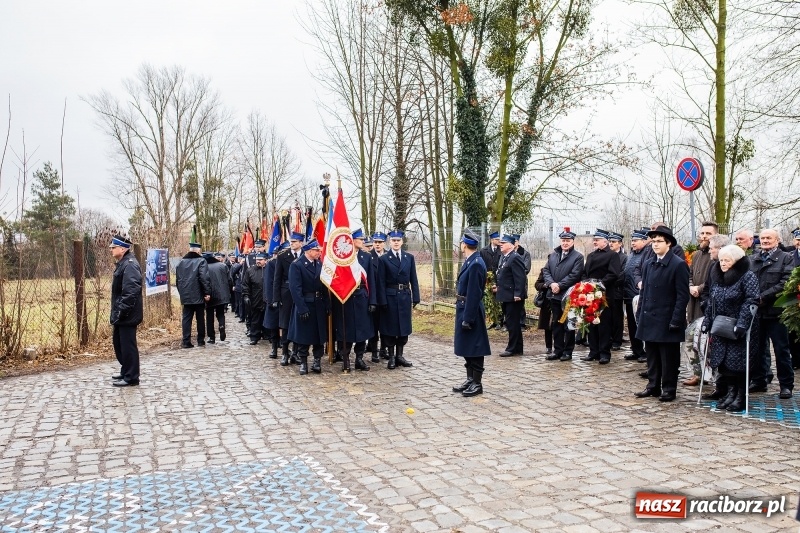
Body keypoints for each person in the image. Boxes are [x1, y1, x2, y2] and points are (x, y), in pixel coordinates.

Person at [701, 244, 760, 411]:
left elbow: (751, 300)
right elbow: (712, 302)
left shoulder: (747, 277)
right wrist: (707, 321)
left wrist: (742, 323)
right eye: (721, 260)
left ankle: (741, 397)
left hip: (740, 327)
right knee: (725, 363)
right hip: (721, 327)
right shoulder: (718, 277)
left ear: (736, 261)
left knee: (739, 363)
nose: (723, 263)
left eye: (727, 260)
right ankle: (731, 393)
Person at [634, 226, 690, 402]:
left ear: (669, 243)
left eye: (659, 241)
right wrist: (640, 312)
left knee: (668, 357)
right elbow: (645, 291)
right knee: (652, 355)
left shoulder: (678, 264)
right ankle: (653, 386)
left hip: (667, 318)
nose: (655, 245)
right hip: (649, 316)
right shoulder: (649, 263)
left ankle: (669, 388)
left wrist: (676, 320)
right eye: (653, 241)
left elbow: (682, 296)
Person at [749, 228, 794, 398]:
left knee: (781, 349)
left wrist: (762, 297)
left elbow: (786, 283)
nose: (765, 241)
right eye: (763, 238)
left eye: (769, 238)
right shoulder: (753, 259)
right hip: (757, 313)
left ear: (777, 240)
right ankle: (759, 380)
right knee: (757, 349)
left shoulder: (786, 258)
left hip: (777, 312)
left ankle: (786, 385)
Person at [452, 229, 491, 397]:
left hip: (470, 309)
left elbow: (474, 293)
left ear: (465, 244)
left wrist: (468, 318)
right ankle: (470, 378)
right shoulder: (471, 260)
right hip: (464, 307)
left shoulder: (476, 263)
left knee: (475, 347)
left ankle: (477, 382)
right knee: (467, 346)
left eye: (461, 242)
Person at [331, 229, 375, 372]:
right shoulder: (343, 256)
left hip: (362, 296)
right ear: (352, 240)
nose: (363, 241)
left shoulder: (366, 257)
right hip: (346, 298)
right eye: (360, 239)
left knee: (362, 329)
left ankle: (359, 359)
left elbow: (372, 281)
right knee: (346, 330)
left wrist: (372, 300)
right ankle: (345, 359)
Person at [376, 229, 420, 369]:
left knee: (403, 328)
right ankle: (391, 357)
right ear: (389, 242)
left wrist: (416, 297)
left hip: (405, 297)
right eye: (393, 240)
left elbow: (414, 278)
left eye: (398, 240)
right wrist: (382, 300)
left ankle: (400, 355)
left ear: (402, 242)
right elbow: (380, 282)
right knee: (390, 328)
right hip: (390, 296)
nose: (396, 243)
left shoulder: (409, 258)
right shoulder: (383, 259)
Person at [287, 240, 330, 375]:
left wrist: (327, 305)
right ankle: (304, 362)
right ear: (309, 251)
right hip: (305, 303)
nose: (319, 252)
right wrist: (302, 308)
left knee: (319, 335)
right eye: (317, 250)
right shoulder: (297, 265)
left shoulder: (319, 264)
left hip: (318, 304)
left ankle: (317, 361)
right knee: (304, 336)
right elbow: (295, 289)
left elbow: (324, 287)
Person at [542, 227, 584, 362]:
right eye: (563, 240)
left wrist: (560, 285)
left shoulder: (578, 257)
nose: (565, 243)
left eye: (568, 240)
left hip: (568, 296)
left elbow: (575, 275)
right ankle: (557, 350)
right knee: (556, 324)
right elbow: (546, 271)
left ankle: (567, 351)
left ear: (572, 242)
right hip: (554, 296)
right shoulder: (553, 255)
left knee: (568, 324)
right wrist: (551, 284)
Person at [581, 229, 621, 364]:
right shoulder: (591, 255)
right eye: (594, 240)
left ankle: (604, 353)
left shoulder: (612, 255)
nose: (595, 242)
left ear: (605, 241)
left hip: (604, 295)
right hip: (590, 295)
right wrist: (586, 284)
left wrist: (599, 284)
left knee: (604, 325)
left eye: (597, 240)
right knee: (592, 323)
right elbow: (585, 272)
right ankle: (593, 351)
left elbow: (613, 274)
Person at [109, 235, 143, 387]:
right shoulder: (123, 263)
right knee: (120, 343)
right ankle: (126, 371)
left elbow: (130, 291)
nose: (111, 249)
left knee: (128, 345)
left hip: (127, 314)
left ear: (122, 249)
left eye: (113, 247)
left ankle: (131, 377)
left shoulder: (129, 264)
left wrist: (122, 311)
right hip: (122, 313)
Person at [273, 232, 305, 364]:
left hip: (301, 293)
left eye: (295, 242)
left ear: (301, 243)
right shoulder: (282, 256)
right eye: (291, 241)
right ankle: (285, 352)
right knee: (285, 324)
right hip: (286, 293)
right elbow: (277, 278)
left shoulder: (305, 255)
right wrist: (276, 298)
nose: (292, 244)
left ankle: (296, 352)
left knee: (298, 323)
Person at [494, 234, 526, 357]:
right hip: (506, 295)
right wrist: (498, 287)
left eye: (504, 243)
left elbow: (520, 277)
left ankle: (512, 348)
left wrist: (518, 293)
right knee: (513, 323)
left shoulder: (515, 257)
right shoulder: (506, 257)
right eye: (501, 243)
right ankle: (517, 348)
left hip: (513, 297)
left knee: (512, 323)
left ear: (511, 245)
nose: (501, 245)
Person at [175, 240, 212, 348]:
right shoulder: (201, 261)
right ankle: (200, 340)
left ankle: (186, 341)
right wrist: (207, 293)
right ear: (198, 251)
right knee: (200, 318)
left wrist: (181, 292)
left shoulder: (181, 262)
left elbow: (177, 280)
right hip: (198, 295)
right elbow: (204, 278)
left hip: (185, 295)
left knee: (186, 318)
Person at [623, 228, 649, 363]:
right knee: (632, 325)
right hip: (628, 295)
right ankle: (635, 349)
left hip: (638, 295)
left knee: (640, 325)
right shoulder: (632, 254)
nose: (632, 243)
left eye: (635, 241)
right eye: (632, 241)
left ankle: (644, 352)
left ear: (644, 241)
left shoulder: (646, 254)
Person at [687, 222, 718, 326]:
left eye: (708, 233)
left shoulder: (717, 256)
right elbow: (689, 274)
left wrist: (699, 289)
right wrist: (691, 287)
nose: (704, 236)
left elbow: (716, 278)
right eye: (702, 233)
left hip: (707, 302)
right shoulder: (696, 255)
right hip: (693, 302)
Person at [367, 232, 389, 363]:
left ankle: (384, 349)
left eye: (380, 242)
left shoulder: (388, 256)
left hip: (386, 296)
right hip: (374, 296)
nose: (377, 245)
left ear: (384, 243)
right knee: (373, 326)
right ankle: (374, 351)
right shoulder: (369, 257)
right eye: (375, 242)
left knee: (385, 325)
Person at [264, 242, 287, 360]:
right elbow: (269, 282)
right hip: (274, 298)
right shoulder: (271, 264)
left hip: (285, 298)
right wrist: (270, 299)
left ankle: (285, 347)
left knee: (284, 325)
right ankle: (274, 347)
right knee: (274, 324)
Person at [202, 252, 231, 344]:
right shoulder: (223, 266)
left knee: (209, 316)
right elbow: (230, 280)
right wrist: (228, 291)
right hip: (222, 294)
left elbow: (203, 281)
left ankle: (211, 337)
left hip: (210, 295)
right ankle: (221, 325)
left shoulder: (204, 267)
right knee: (220, 313)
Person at [242, 251, 268, 345]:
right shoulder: (250, 270)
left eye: (260, 260)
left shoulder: (269, 269)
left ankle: (267, 334)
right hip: (255, 297)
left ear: (266, 260)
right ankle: (254, 336)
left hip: (267, 298)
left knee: (267, 317)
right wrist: (246, 295)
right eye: (257, 259)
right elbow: (245, 285)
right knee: (255, 318)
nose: (258, 261)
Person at [480, 231, 502, 330]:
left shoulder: (501, 250)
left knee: (499, 300)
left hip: (499, 278)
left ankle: (500, 321)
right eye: (497, 239)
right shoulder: (484, 251)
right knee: (489, 299)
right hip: (488, 278)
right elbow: (482, 264)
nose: (499, 241)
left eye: (499, 239)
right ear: (492, 240)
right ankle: (493, 320)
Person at [608, 231, 627, 350]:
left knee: (616, 317)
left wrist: (608, 281)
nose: (611, 244)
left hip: (617, 291)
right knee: (607, 317)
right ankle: (608, 338)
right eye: (610, 241)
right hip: (605, 291)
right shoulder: (607, 255)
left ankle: (617, 340)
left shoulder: (624, 258)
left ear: (620, 244)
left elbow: (622, 274)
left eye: (613, 242)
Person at [513, 234, 532, 330]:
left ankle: (521, 323)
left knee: (520, 302)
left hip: (521, 280)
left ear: (518, 242)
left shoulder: (525, 254)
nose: (514, 243)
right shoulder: (509, 253)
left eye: (515, 241)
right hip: (510, 282)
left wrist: (515, 273)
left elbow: (526, 268)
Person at [534, 269, 552, 355]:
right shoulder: (544, 270)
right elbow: (537, 284)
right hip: (546, 301)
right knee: (547, 326)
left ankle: (560, 346)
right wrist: (545, 285)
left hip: (559, 300)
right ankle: (548, 347)